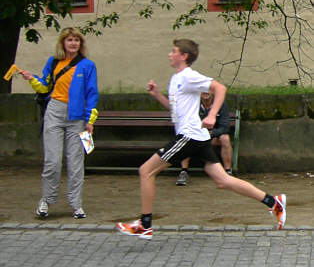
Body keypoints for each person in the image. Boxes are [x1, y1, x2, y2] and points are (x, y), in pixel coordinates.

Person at [116, 39, 286, 240]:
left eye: (173, 51)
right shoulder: (176, 79)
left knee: (145, 171)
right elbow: (175, 110)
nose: (169, 54)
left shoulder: (189, 76)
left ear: (184, 56)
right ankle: (273, 202)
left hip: (189, 136)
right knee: (223, 180)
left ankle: (145, 225)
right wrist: (156, 95)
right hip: (197, 137)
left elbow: (220, 88)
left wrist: (212, 114)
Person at [20, 27, 98, 219]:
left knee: (75, 162)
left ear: (81, 44)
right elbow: (45, 85)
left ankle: (76, 204)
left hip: (77, 117)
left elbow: (92, 94)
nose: (73, 43)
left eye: (76, 40)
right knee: (52, 161)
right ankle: (46, 200)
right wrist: (31, 79)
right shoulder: (53, 62)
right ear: (63, 43)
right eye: (70, 40)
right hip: (54, 111)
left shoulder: (87, 65)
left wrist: (90, 120)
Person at [176, 91, 233, 186]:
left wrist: (211, 133)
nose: (205, 92)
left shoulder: (220, 104)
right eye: (202, 89)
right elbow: (186, 123)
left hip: (213, 136)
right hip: (196, 135)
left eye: (208, 89)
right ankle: (183, 172)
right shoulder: (193, 104)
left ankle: (228, 172)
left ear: (213, 91)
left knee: (225, 138)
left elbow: (225, 127)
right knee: (186, 137)